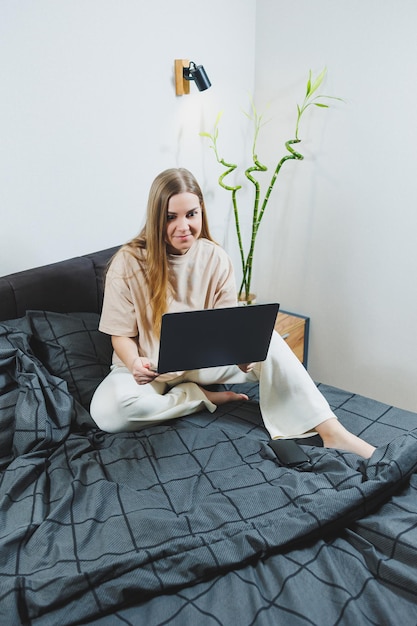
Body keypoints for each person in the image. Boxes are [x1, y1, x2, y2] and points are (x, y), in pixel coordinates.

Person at [90, 168, 375, 458]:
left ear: (201, 212)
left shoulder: (215, 257)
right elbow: (121, 335)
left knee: (269, 340)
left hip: (201, 364)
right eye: (170, 217)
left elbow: (227, 326)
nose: (183, 226)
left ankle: (333, 432)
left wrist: (241, 353)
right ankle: (200, 398)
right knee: (108, 412)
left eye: (191, 214)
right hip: (148, 370)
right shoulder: (128, 262)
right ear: (155, 218)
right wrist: (135, 362)